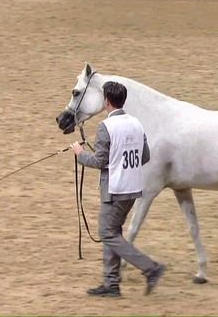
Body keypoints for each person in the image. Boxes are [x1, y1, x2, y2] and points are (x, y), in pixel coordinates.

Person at [71, 81, 166, 297]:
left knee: (106, 233)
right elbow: (145, 156)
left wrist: (79, 154)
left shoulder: (106, 127)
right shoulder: (136, 123)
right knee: (113, 232)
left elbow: (99, 162)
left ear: (106, 101)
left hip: (114, 188)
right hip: (132, 188)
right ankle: (111, 283)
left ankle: (150, 268)